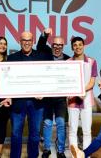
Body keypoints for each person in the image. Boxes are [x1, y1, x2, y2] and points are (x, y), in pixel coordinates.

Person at [1, 31, 52, 158]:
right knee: (16, 134)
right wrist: (7, 96)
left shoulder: (41, 57)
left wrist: (44, 92)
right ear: (20, 41)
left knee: (35, 135)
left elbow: (48, 77)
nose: (27, 43)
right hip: (18, 103)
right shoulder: (12, 58)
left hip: (37, 103)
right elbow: (7, 80)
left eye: (29, 40)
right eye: (24, 40)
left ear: (33, 41)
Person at [36, 28, 69, 158]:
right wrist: (45, 35)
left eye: (60, 45)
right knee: (48, 123)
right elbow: (39, 45)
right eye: (55, 45)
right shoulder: (45, 54)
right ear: (52, 45)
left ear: (63, 46)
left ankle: (60, 150)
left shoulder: (68, 59)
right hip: (47, 97)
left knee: (61, 123)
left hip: (61, 98)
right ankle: (46, 149)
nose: (57, 47)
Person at [67, 37, 97, 150]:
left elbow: (92, 81)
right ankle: (74, 155)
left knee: (87, 131)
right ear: (72, 47)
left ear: (84, 46)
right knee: (72, 130)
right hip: (72, 100)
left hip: (86, 99)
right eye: (75, 45)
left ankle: (86, 154)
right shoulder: (68, 62)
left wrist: (82, 91)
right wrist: (74, 92)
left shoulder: (92, 61)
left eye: (80, 44)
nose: (78, 47)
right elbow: (67, 81)